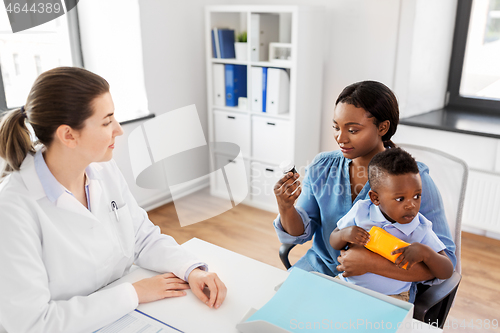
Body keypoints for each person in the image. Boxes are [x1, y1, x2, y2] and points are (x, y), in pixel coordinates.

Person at [0, 67, 226, 333]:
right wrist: (133, 294)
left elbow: (142, 238)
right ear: (68, 135)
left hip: (124, 318)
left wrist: (191, 269)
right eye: (107, 121)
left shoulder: (102, 169)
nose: (118, 129)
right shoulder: (12, 208)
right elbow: (33, 323)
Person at [273, 80, 456, 303]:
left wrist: (372, 264)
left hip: (381, 288)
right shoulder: (322, 166)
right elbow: (302, 232)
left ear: (382, 127)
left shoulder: (414, 181)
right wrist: (286, 206)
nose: (341, 138)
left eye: (353, 130)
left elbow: (445, 262)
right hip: (318, 271)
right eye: (336, 127)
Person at [329, 148, 453, 301]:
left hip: (392, 297)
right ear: (375, 198)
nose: (411, 205)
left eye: (417, 196)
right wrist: (344, 234)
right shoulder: (362, 211)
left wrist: (426, 254)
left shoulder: (420, 228)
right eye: (400, 199)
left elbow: (447, 271)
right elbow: (334, 240)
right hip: (346, 285)